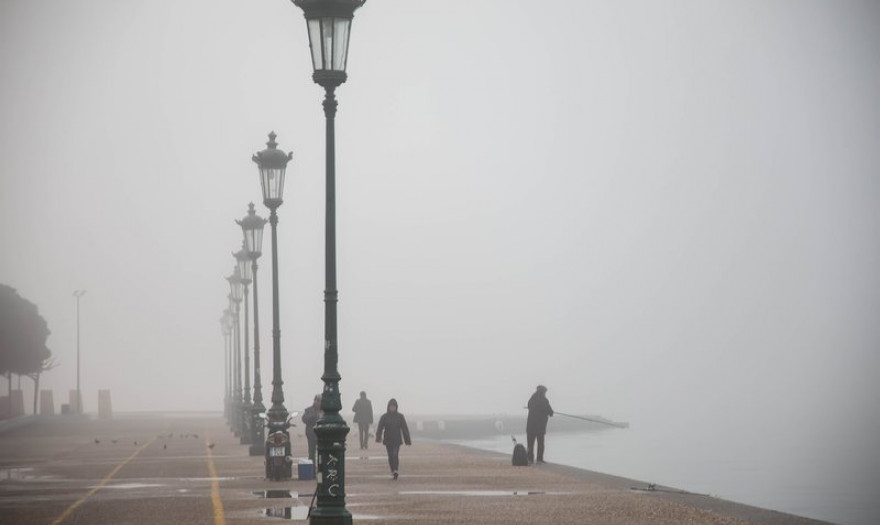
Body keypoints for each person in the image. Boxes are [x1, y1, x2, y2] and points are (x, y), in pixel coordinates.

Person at [375, 398, 411, 479]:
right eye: (391, 406)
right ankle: (392, 470)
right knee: (390, 455)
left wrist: (407, 440)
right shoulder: (384, 417)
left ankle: (396, 470)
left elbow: (404, 428)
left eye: (394, 407)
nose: (392, 408)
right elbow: (380, 428)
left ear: (396, 407)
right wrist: (378, 437)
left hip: (397, 439)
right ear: (388, 407)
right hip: (388, 439)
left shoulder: (400, 417)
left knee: (395, 454)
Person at [526, 385, 553, 464]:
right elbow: (550, 412)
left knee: (530, 444)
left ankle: (530, 459)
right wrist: (551, 412)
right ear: (543, 392)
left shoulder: (531, 399)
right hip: (540, 427)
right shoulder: (544, 400)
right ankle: (539, 459)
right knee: (540, 444)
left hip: (530, 426)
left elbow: (529, 407)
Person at [302, 394, 321, 463]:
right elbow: (304, 419)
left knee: (321, 452)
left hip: (322, 434)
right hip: (311, 434)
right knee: (311, 452)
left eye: (320, 401)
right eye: (317, 400)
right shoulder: (309, 410)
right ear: (314, 401)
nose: (319, 403)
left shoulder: (325, 410)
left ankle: (321, 468)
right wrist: (314, 416)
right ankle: (312, 469)